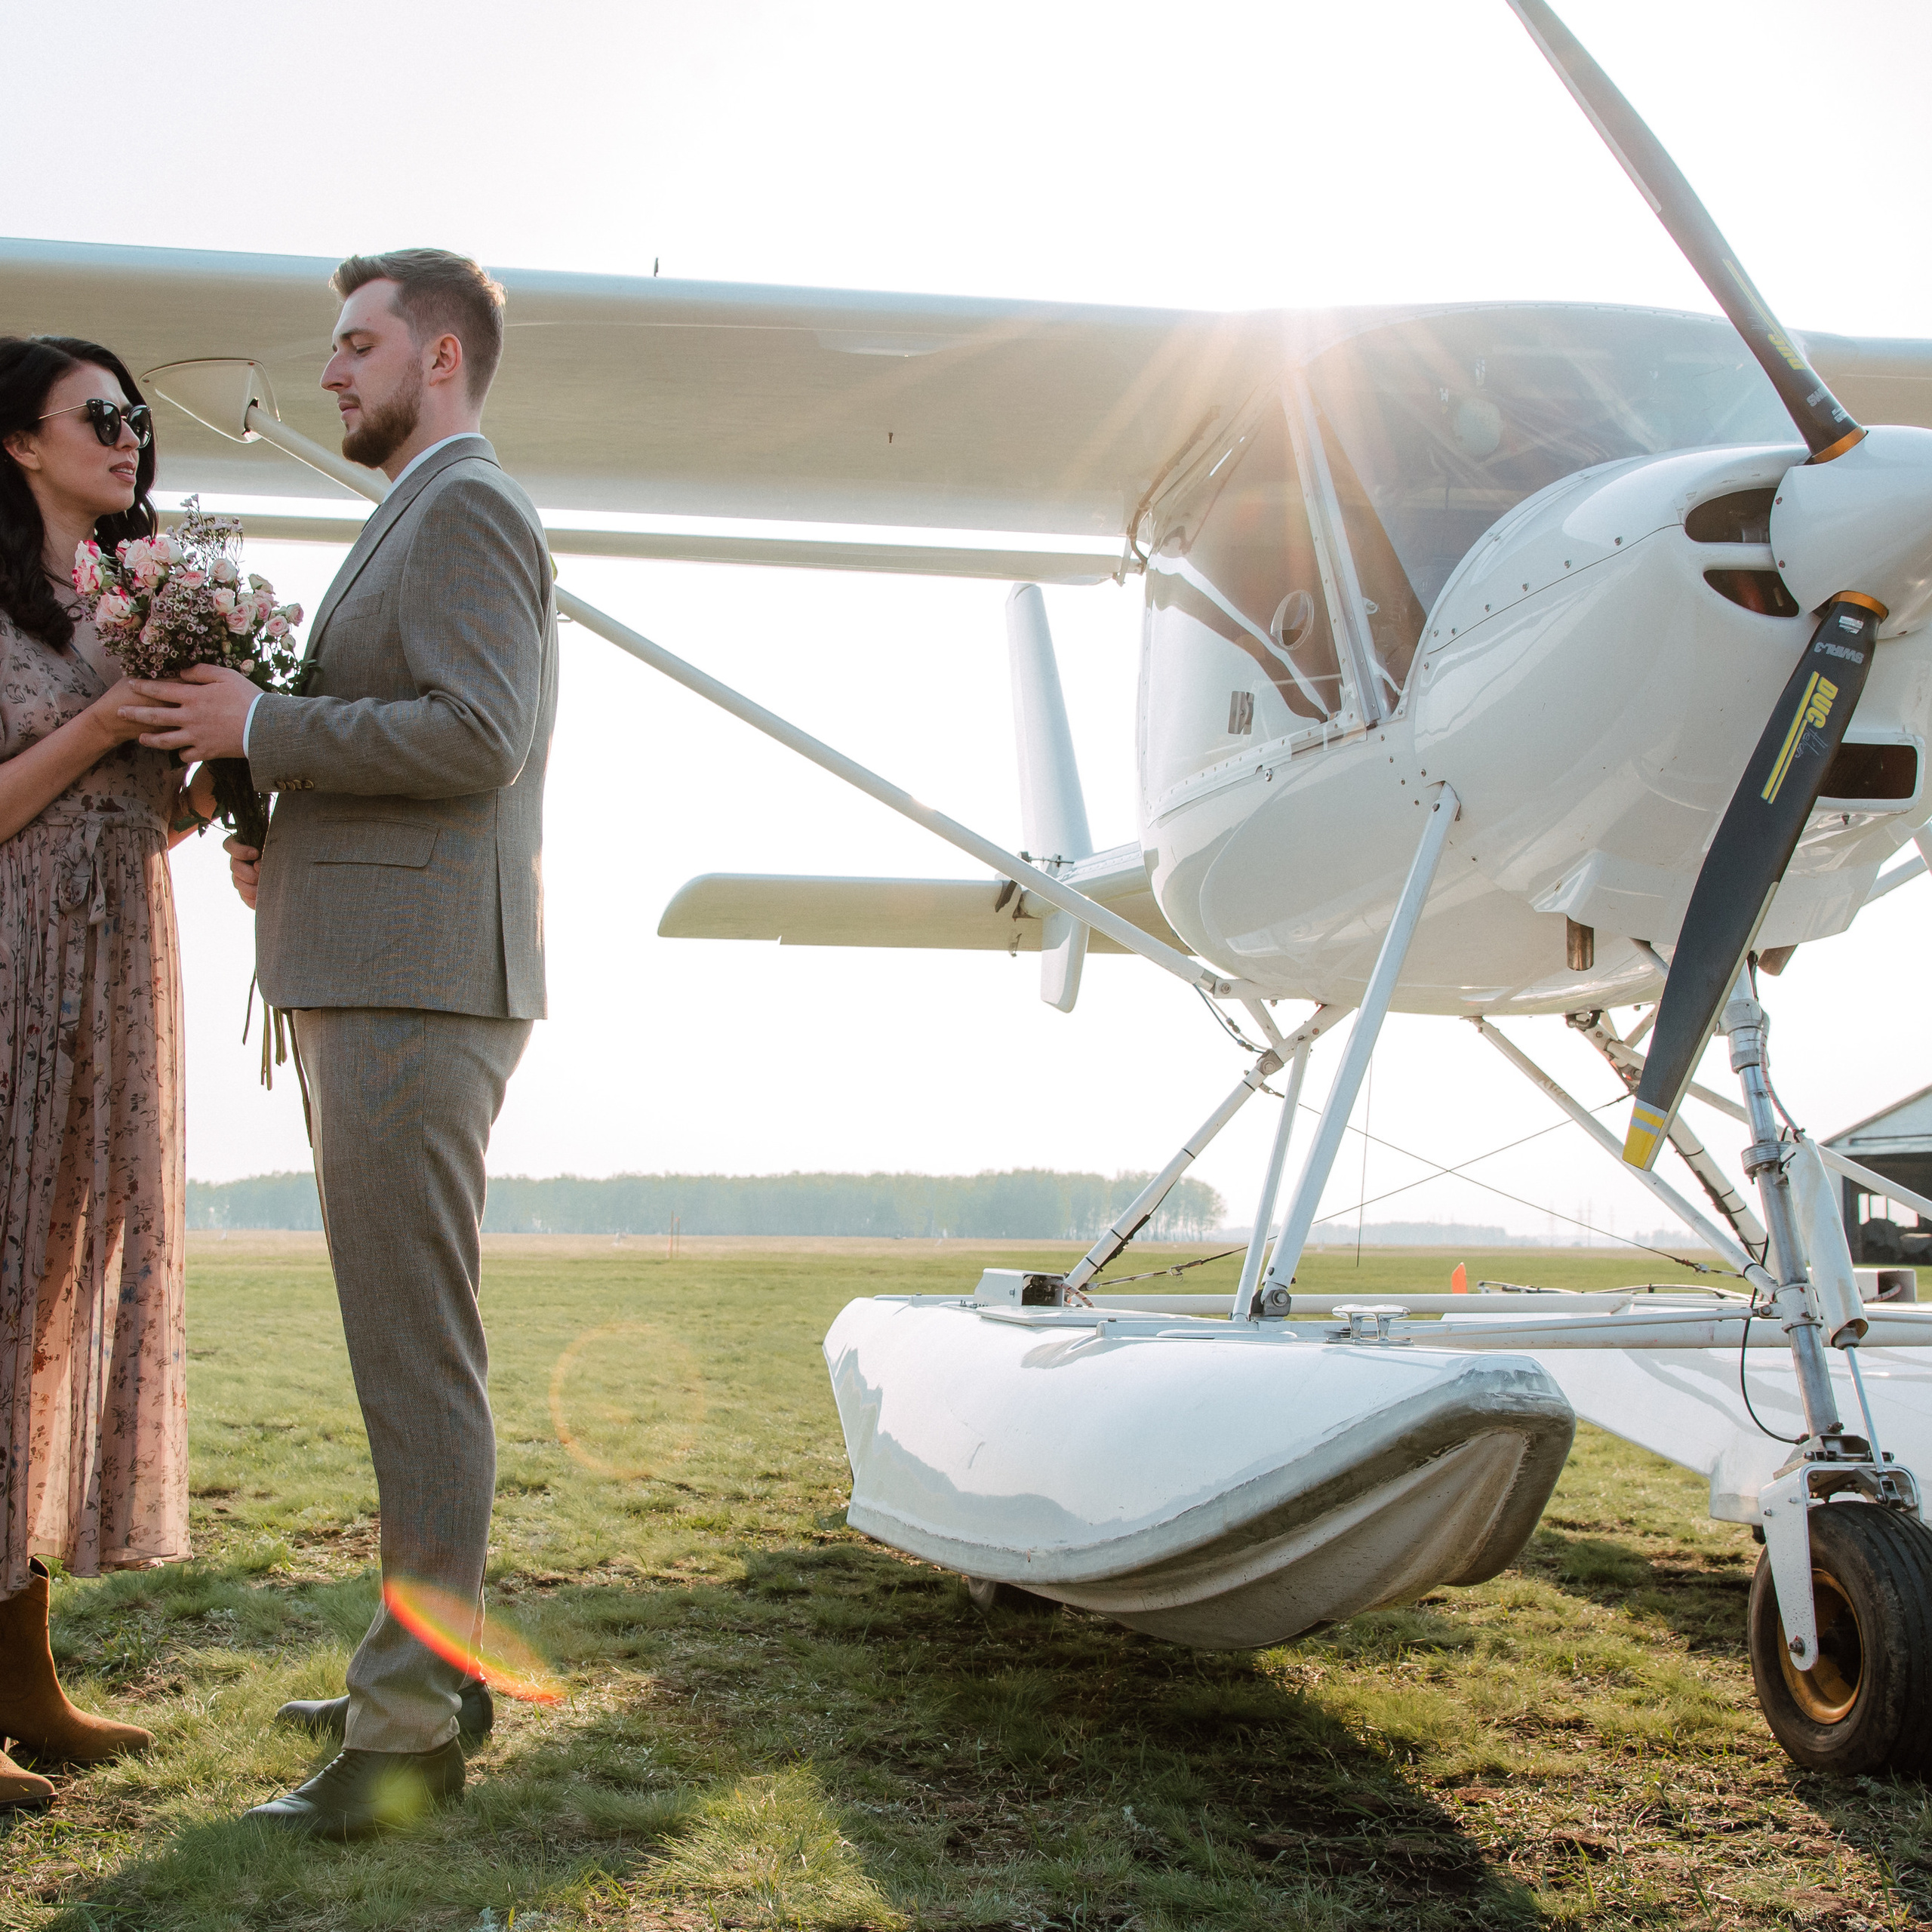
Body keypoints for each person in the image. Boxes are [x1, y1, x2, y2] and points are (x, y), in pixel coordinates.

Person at [122, 249, 558, 1840]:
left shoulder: (467, 508)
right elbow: (425, 742)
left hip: (416, 993)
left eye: (354, 344)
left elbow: (478, 733)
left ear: (440, 355)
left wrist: (260, 729)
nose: (330, 371)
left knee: (414, 1365)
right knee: (410, 1357)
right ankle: (427, 1670)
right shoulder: (426, 507)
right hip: (384, 969)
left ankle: (402, 1734)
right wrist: (280, 831)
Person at [0, 337, 220, 1810]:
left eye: (138, 417)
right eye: (103, 416)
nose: (131, 437)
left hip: (121, 977)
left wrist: (226, 773)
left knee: (50, 1325)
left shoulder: (144, 603)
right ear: (19, 443)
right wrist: (100, 724)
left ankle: (29, 1689)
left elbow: (158, 804)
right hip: (9, 974)